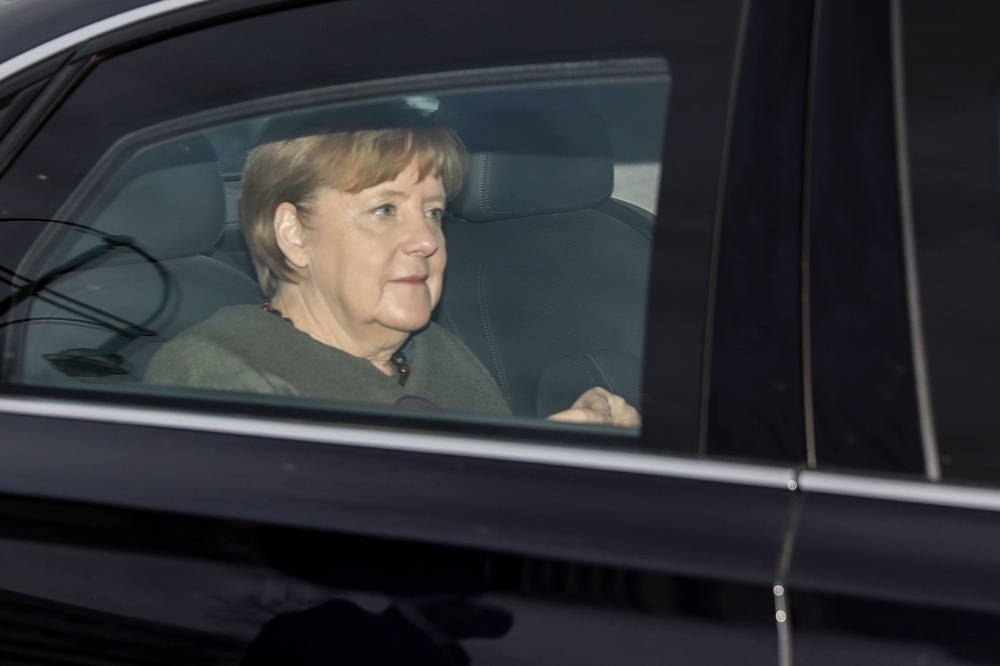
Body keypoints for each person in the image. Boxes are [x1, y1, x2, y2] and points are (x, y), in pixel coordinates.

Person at [145, 126, 639, 426]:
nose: (426, 239)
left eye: (434, 212)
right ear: (294, 234)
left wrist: (567, 441)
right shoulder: (219, 378)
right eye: (385, 208)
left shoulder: (432, 351)